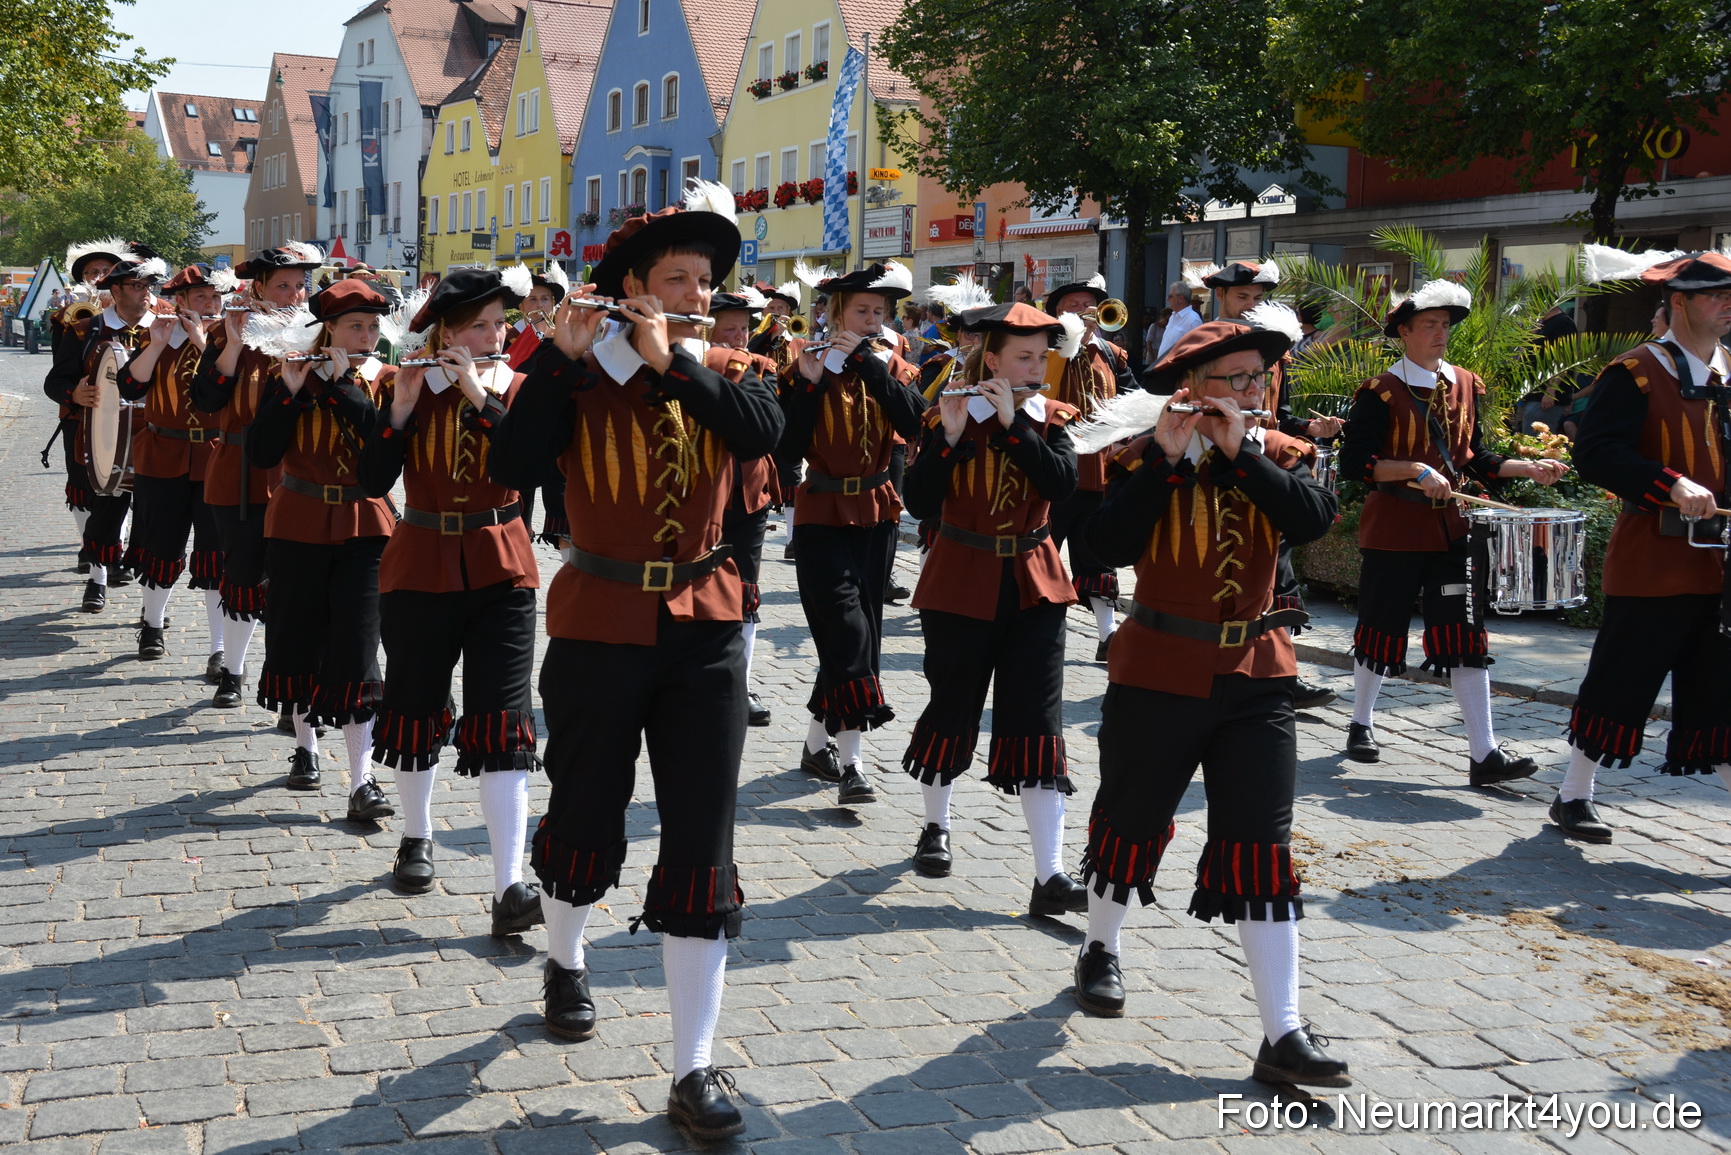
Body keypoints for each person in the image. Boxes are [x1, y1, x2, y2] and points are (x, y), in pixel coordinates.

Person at [488, 182, 783, 1141]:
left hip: (705, 621)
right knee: (584, 808)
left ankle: (693, 1065)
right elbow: (510, 465)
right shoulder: (573, 371)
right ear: (629, 288)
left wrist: (681, 360)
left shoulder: (732, 368)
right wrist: (559, 366)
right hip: (597, 617)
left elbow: (764, 436)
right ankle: (566, 957)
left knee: (703, 836)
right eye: (675, 279)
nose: (697, 291)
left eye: (706, 279)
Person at [1067, 318, 1348, 1089]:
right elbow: (1099, 548)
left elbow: (1313, 521)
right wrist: (1164, 457)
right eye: (1238, 380)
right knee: (1131, 819)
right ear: (1194, 387)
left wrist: (1242, 452)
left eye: (1261, 378)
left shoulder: (1282, 455)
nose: (1255, 392)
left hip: (1258, 673)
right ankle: (1099, 945)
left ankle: (1282, 1030)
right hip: (1157, 666)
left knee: (1261, 844)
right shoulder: (1137, 458)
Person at [360, 266, 545, 928]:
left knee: (503, 720)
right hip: (420, 564)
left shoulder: (518, 389)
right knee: (416, 704)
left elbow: (528, 466)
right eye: (480, 326)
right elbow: (372, 478)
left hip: (502, 566)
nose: (496, 335)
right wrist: (403, 409)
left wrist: (477, 391)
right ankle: (416, 834)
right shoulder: (400, 385)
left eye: (501, 324)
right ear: (445, 331)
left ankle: (509, 885)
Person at [900, 301, 1090, 916]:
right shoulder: (947, 416)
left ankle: (1051, 873)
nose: (1037, 368)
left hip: (1035, 585)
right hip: (959, 580)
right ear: (993, 360)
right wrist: (952, 440)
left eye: (1042, 357)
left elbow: (1062, 488)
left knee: (1038, 722)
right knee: (952, 705)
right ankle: (937, 825)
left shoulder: (1054, 420)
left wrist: (1017, 426)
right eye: (1023, 358)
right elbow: (919, 501)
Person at [1337, 281, 1567, 777]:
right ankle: (1360, 722)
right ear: (1404, 333)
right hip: (1395, 530)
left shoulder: (1465, 383)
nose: (1441, 334)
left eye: (1445, 325)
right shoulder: (1381, 390)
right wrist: (1414, 471)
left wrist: (1528, 468)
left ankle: (1483, 753)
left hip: (1453, 534)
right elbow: (1356, 464)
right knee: (1380, 628)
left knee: (1465, 635)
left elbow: (1476, 459)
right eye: (1429, 326)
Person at [1548, 249, 1731, 842]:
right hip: (1654, 559)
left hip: (1721, 567)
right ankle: (1575, 792)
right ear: (1678, 303)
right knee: (1622, 681)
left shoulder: (1730, 373)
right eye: (1714, 294)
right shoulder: (1635, 370)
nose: (1728, 305)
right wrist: (1672, 484)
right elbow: (1596, 452)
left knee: (1720, 693)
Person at [246, 278, 398, 820]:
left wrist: (340, 387)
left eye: (374, 326)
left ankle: (363, 780)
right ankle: (306, 748)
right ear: (327, 329)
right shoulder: (286, 376)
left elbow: (383, 451)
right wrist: (289, 392)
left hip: (365, 525)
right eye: (355, 326)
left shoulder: (387, 380)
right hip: (298, 523)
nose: (366, 335)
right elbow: (262, 451)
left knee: (358, 651)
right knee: (300, 641)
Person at [782, 258, 926, 804]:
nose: (871, 320)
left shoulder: (890, 364)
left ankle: (818, 745)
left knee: (862, 631)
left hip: (877, 511)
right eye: (861, 311)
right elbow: (787, 447)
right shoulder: (807, 365)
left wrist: (872, 365)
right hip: (821, 514)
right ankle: (853, 765)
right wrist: (812, 387)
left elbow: (914, 424)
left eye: (879, 312)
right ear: (835, 312)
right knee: (850, 635)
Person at [1205, 261, 1342, 710]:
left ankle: (1282, 670)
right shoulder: (1203, 347)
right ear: (1221, 298)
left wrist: (1310, 428)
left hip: (1261, 458)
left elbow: (1277, 412)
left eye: (1257, 298)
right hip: (1209, 463)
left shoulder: (1273, 349)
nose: (1251, 306)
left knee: (1276, 564)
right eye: (1242, 297)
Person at [192, 243, 322, 712]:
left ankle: (293, 693)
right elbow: (206, 399)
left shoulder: (316, 334)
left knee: (291, 587)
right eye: (282, 285)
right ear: (259, 288)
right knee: (242, 575)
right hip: (238, 473)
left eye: (299, 285)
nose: (293, 294)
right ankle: (232, 669)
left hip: (297, 476)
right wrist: (227, 343)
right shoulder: (230, 331)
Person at [118, 263, 232, 667]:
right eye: (201, 296)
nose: (210, 303)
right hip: (162, 454)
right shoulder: (157, 334)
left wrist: (205, 343)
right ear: (180, 301)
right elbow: (130, 386)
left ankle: (220, 648)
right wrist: (155, 344)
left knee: (215, 555)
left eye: (216, 296)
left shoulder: (228, 339)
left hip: (215, 458)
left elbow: (231, 389)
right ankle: (152, 623)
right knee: (160, 547)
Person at [44, 249, 169, 612]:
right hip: (100, 434)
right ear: (114, 291)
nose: (145, 291)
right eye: (135, 285)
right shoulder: (85, 329)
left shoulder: (166, 327)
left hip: (154, 436)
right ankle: (97, 579)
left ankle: (151, 603)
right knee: (104, 509)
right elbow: (56, 380)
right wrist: (75, 393)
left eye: (149, 284)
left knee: (151, 515)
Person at [1043, 272, 1136, 661]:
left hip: (1100, 469)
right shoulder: (1048, 351)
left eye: (1089, 305)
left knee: (1095, 554)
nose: (1084, 312)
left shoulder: (1112, 354)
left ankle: (1107, 635)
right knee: (1043, 552)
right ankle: (1035, 628)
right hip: (1056, 470)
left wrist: (1126, 432)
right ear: (1059, 312)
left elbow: (1134, 397)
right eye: (1074, 306)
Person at [709, 286, 781, 727]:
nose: (737, 338)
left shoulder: (761, 368)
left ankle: (742, 682)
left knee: (746, 590)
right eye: (728, 330)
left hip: (749, 495)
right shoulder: (691, 367)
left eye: (743, 329)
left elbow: (768, 423)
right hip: (701, 496)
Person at [48, 238, 134, 572]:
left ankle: (117, 552)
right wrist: (74, 394)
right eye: (91, 272)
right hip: (81, 416)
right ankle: (91, 549)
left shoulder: (146, 318)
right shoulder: (71, 319)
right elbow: (59, 373)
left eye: (105, 271)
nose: (98, 276)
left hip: (129, 418)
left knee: (124, 487)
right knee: (84, 487)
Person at [504, 264, 571, 549]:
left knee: (559, 490)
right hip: (521, 423)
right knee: (522, 491)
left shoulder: (565, 336)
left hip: (555, 424)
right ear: (521, 305)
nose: (539, 305)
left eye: (545, 299)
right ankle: (521, 538)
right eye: (532, 299)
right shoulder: (508, 336)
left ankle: (564, 543)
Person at [1155, 281, 1202, 359]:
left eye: (1170, 296)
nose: (1167, 299)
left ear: (1180, 299)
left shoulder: (1193, 320)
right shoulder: (1173, 317)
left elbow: (1197, 351)